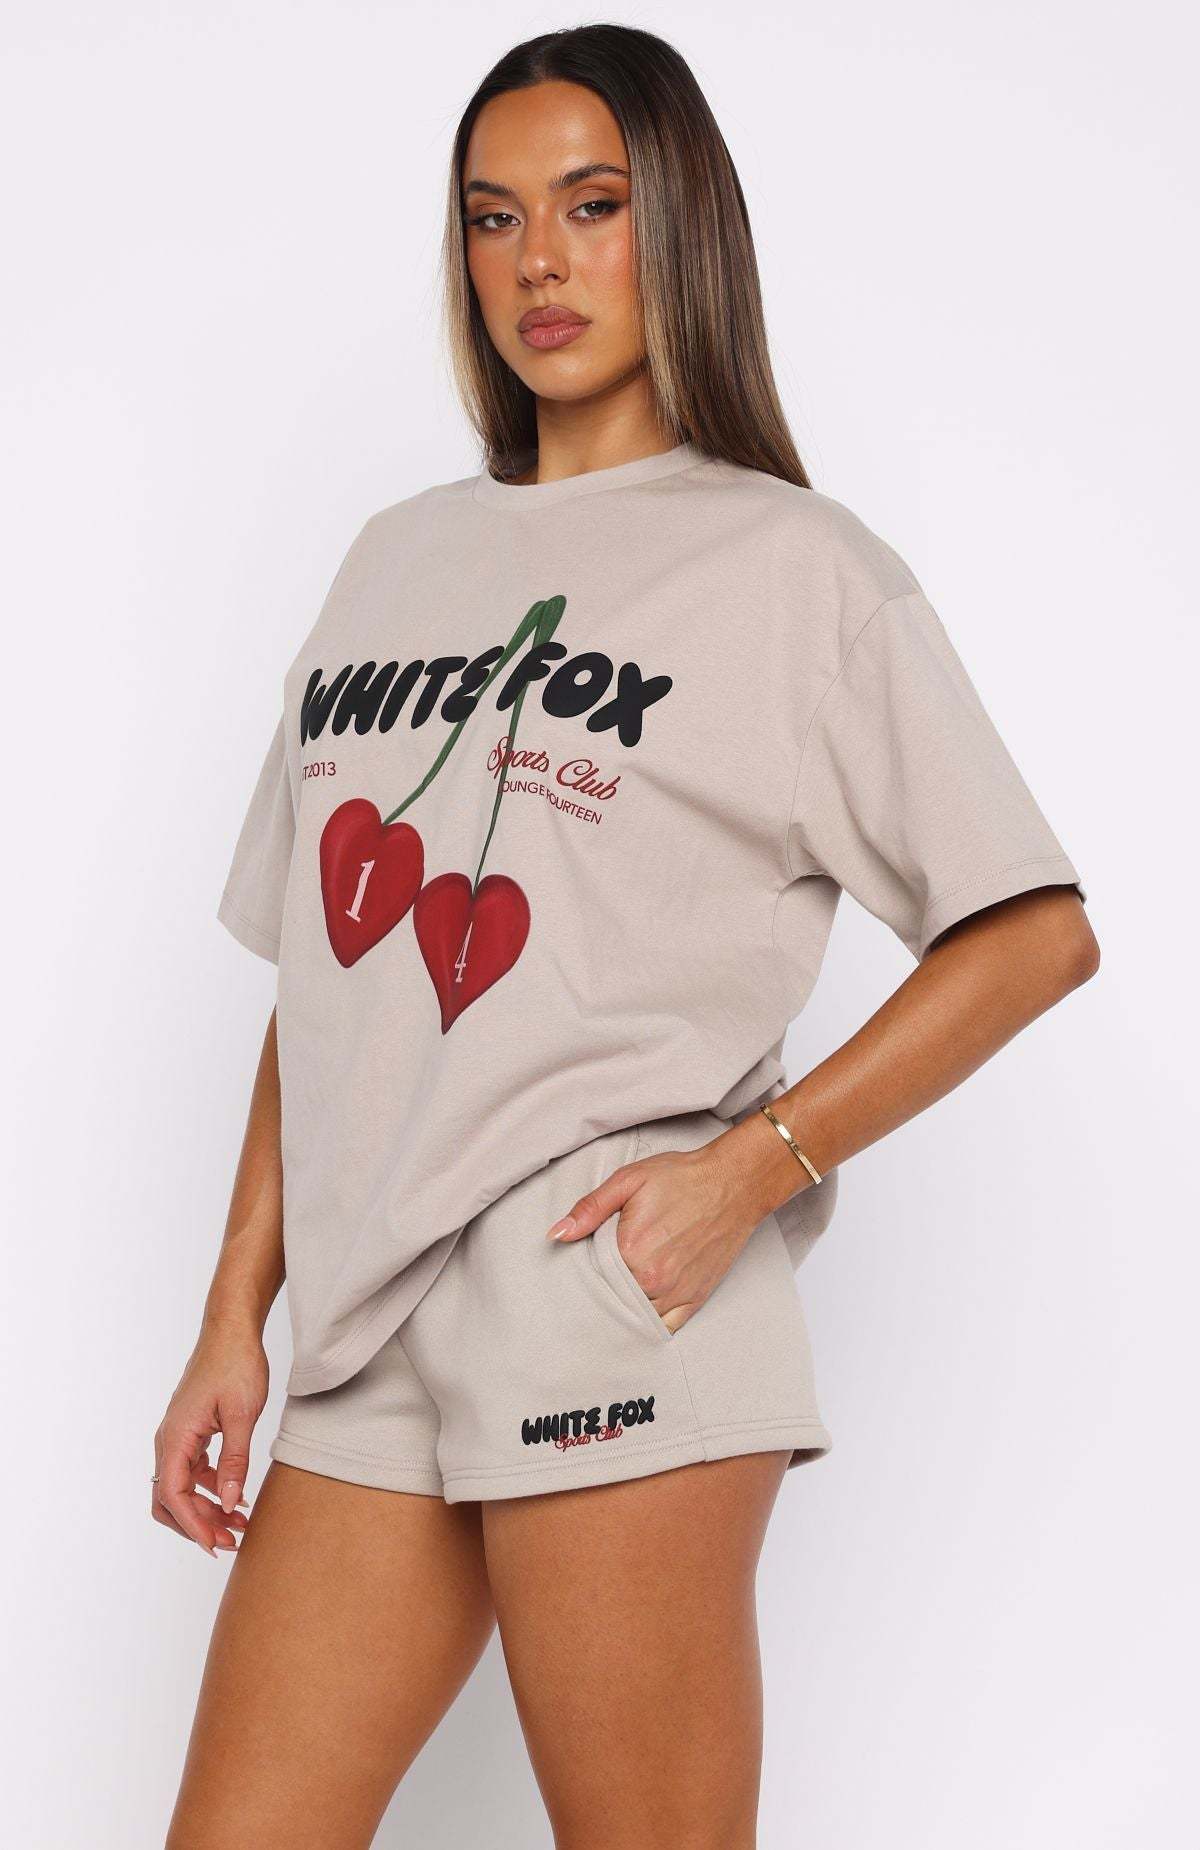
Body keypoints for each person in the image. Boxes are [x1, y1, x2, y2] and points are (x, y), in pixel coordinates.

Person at [158, 23, 1099, 1850]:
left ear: (678, 224)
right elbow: (326, 976)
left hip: (605, 1297)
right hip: (363, 1331)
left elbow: (1033, 931)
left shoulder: (793, 566)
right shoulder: (390, 558)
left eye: (591, 206)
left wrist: (750, 1169)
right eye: (494, 216)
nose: (540, 261)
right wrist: (229, 1317)